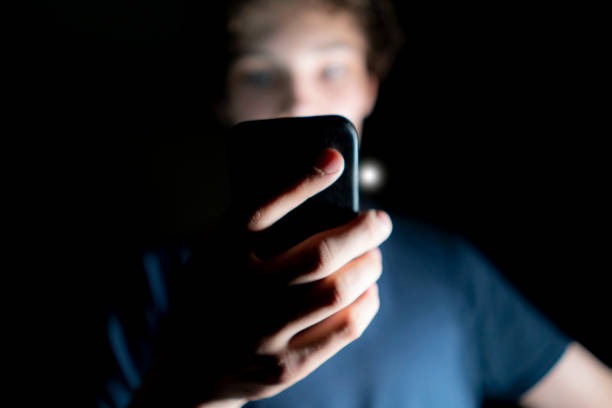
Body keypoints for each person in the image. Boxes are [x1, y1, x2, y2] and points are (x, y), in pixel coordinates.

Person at [95, 0, 612, 407]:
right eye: (259, 75)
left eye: (332, 69)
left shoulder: (452, 270)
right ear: (223, 100)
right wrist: (200, 389)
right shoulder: (155, 285)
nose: (298, 102)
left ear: (369, 88)